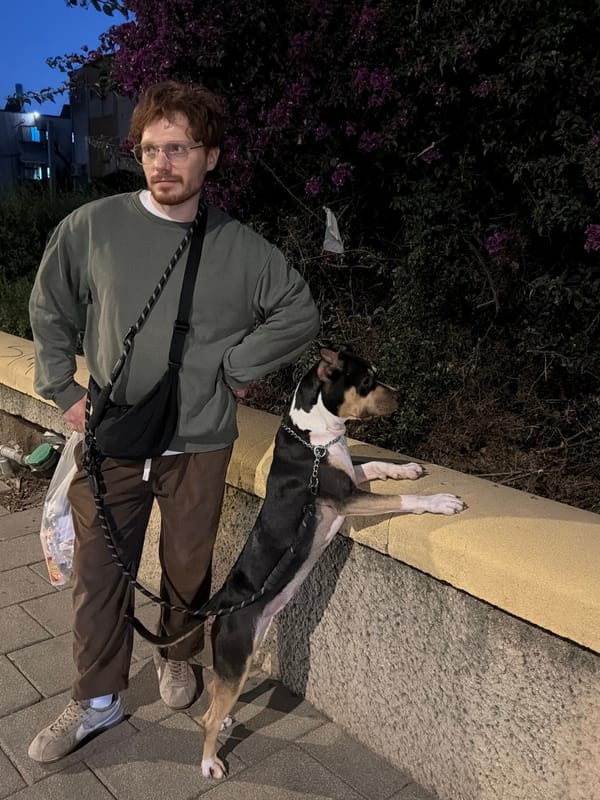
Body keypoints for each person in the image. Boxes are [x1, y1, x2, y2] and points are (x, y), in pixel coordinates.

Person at [27, 80, 320, 763]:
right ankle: (96, 701)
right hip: (114, 435)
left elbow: (298, 311)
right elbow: (50, 306)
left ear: (210, 157)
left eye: (180, 148)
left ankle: (177, 654)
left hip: (201, 440)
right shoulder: (92, 227)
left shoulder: (242, 248)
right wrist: (60, 386)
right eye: (152, 148)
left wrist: (236, 367)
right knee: (100, 573)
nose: (163, 163)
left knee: (187, 568)